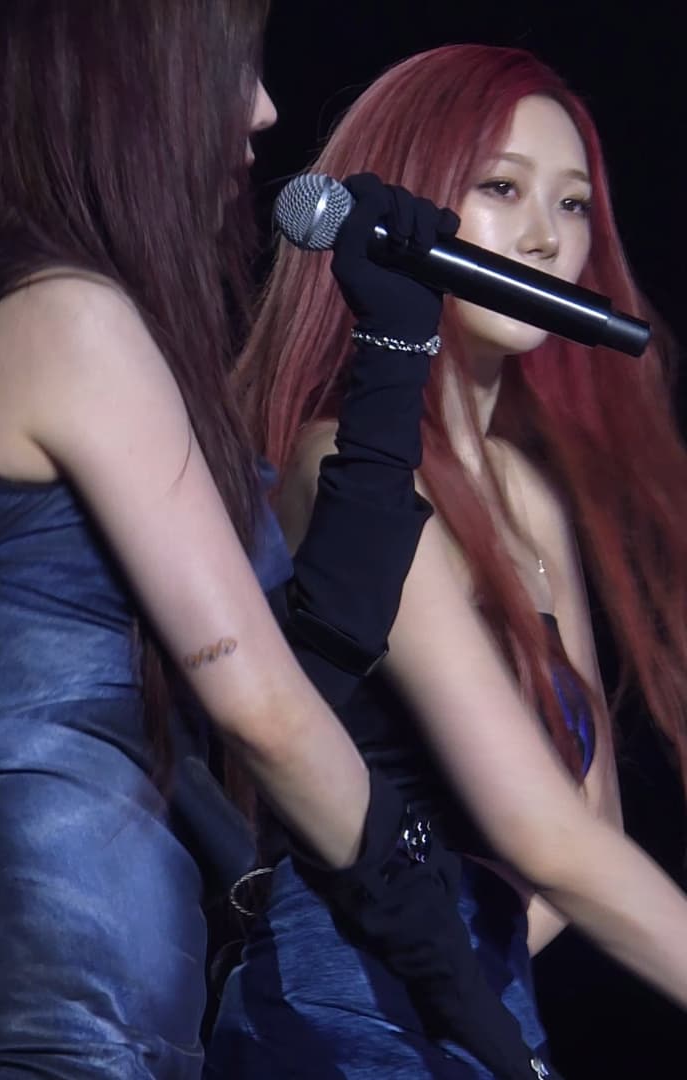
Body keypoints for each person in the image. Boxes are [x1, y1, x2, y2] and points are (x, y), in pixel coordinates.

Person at [0, 2, 548, 1077]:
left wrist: (394, 349)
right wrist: (458, 985)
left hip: (73, 1010)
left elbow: (309, 664)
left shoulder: (8, 316)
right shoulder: (66, 317)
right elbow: (267, 712)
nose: (263, 110)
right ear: (115, 81)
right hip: (37, 1016)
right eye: (230, 68)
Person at [211, 43, 687, 1077]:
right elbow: (542, 836)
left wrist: (474, 983)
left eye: (573, 205)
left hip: (462, 1022)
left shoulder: (531, 493)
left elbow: (583, 836)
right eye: (502, 188)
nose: (545, 237)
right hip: (336, 1035)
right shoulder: (343, 467)